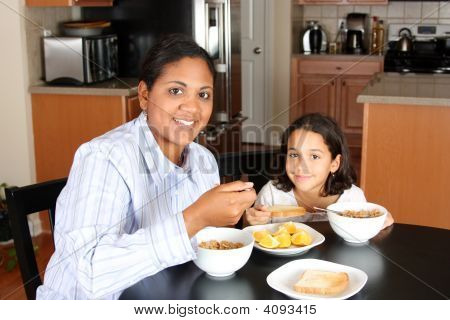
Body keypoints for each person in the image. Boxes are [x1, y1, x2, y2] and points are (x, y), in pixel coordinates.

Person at [37, 34, 256, 299]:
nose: (192, 107)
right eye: (176, 91)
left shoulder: (203, 160)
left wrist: (240, 220)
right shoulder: (105, 157)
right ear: (144, 95)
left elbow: (204, 245)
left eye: (203, 94)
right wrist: (194, 218)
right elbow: (92, 273)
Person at [245, 113, 394, 228]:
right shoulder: (271, 194)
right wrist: (252, 221)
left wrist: (376, 223)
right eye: (294, 155)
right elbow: (252, 236)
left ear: (334, 163)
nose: (301, 166)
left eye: (314, 156)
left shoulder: (352, 198)